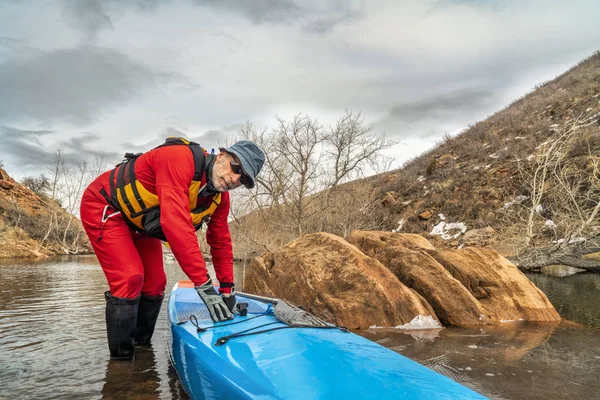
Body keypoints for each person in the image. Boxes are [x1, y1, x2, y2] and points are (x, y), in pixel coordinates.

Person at [80, 137, 264, 360]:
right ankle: (121, 363)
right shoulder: (178, 159)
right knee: (130, 278)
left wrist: (227, 289)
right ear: (222, 154)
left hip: (140, 225)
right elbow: (175, 224)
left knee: (156, 283)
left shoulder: (219, 200)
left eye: (243, 179)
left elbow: (221, 242)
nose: (234, 179)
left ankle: (143, 350)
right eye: (236, 168)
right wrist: (205, 287)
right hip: (105, 207)